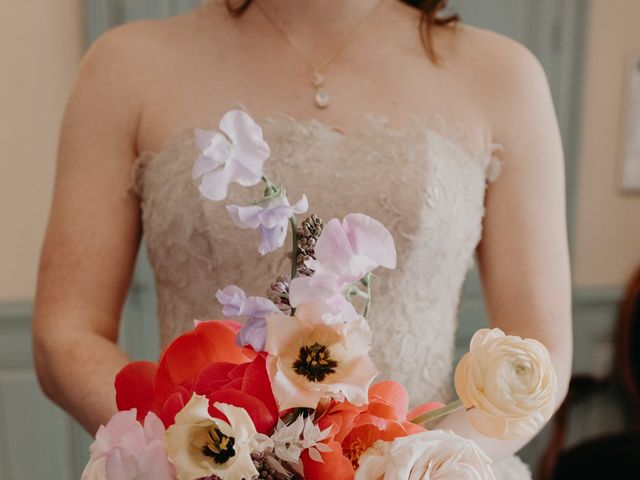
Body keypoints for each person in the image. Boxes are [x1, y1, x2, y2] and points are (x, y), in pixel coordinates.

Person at [32, 0, 572, 477]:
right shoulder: (126, 66)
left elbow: (542, 346)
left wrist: (412, 469)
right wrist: (196, 456)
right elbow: (66, 330)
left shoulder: (503, 75)